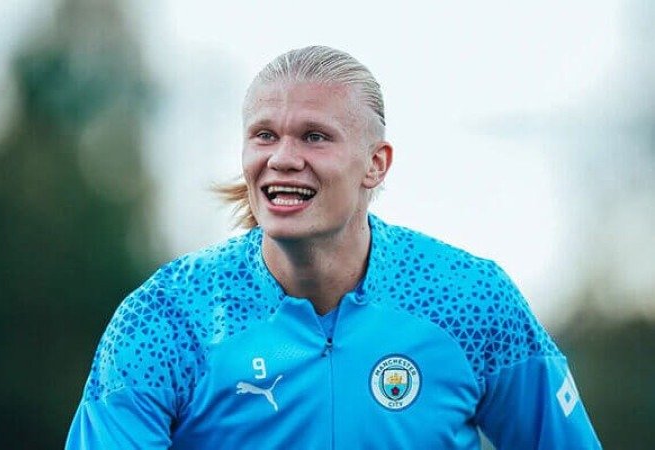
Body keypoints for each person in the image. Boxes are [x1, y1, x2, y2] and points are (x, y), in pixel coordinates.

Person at [66, 45, 602, 449]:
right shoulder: (164, 319)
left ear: (376, 164)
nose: (283, 158)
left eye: (314, 137)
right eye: (265, 135)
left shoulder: (471, 300)